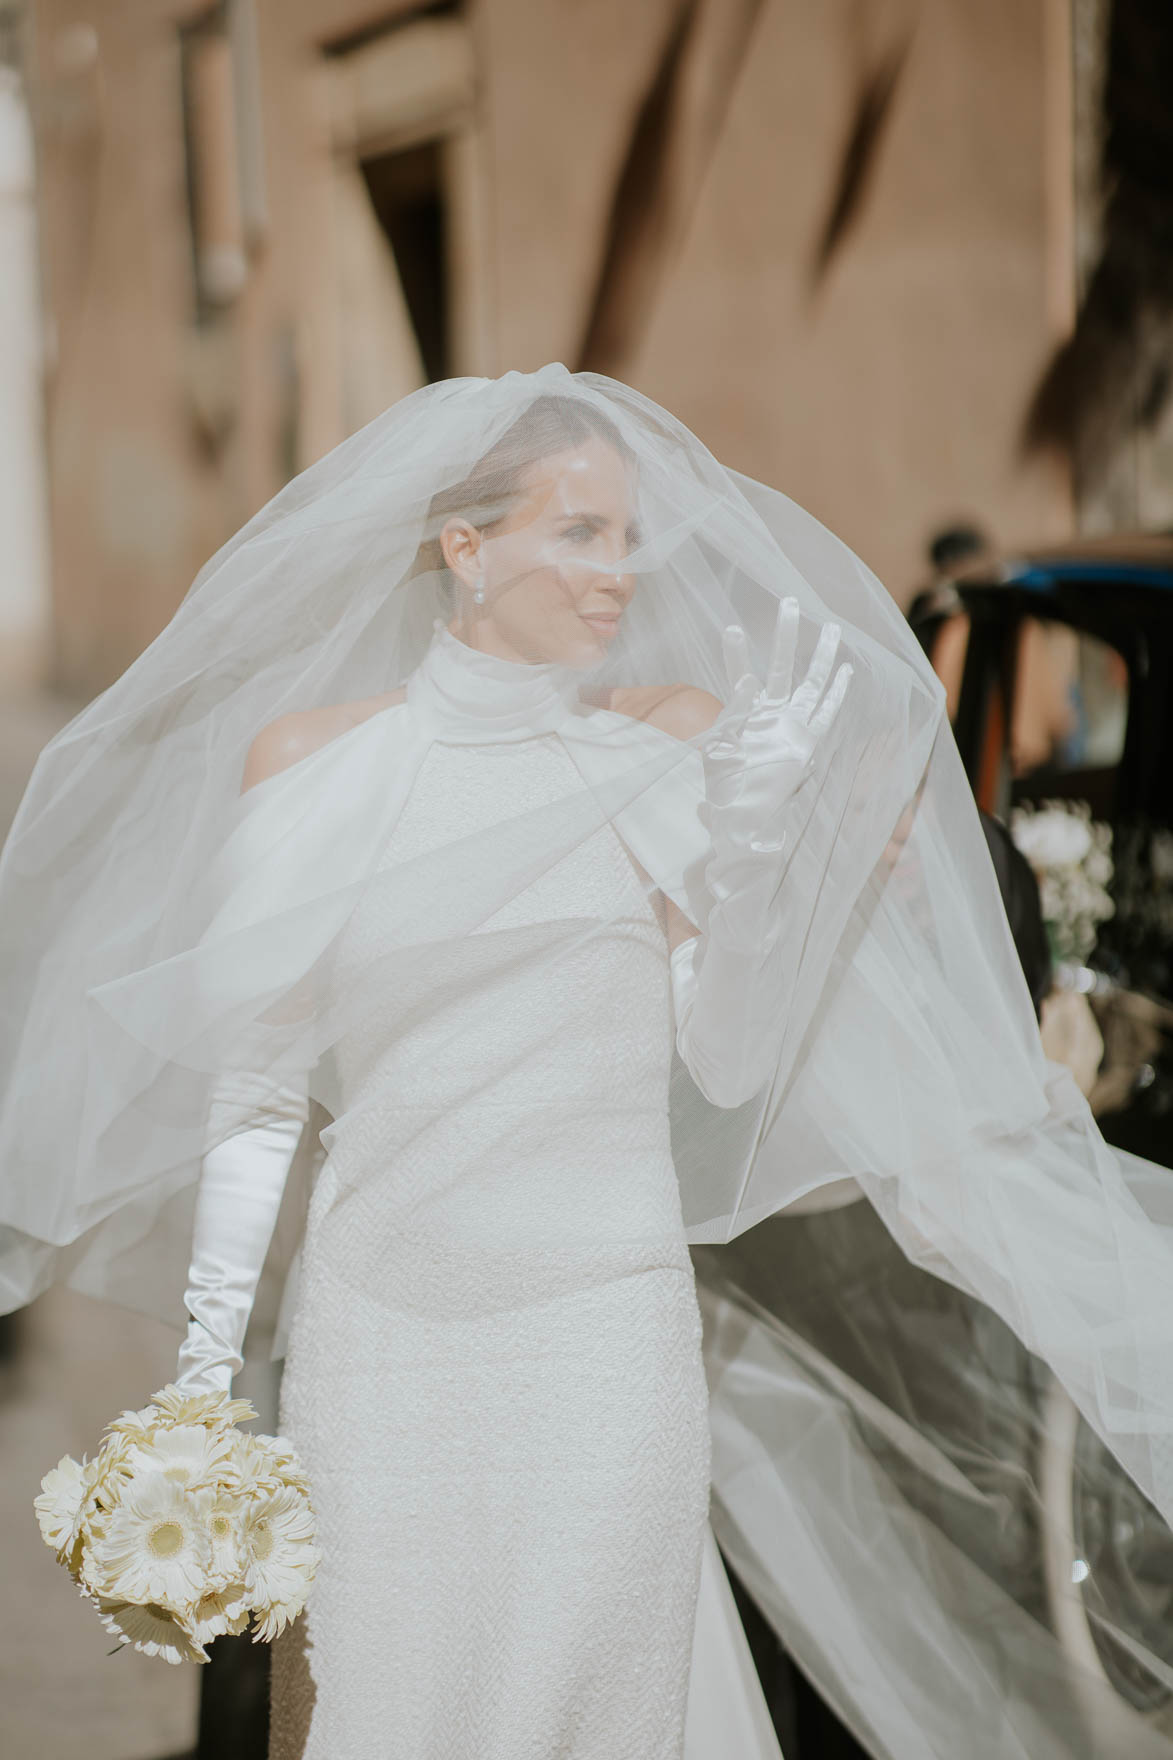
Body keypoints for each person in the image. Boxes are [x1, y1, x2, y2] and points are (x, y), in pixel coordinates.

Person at [6, 365, 1173, 1760]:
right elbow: (257, 1093)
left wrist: (744, 875)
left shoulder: (664, 753)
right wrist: (204, 1370)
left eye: (628, 538)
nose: (618, 573)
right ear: (465, 548)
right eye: (579, 534)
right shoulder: (314, 769)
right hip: (384, 1343)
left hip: (602, 1342)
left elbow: (728, 1066)